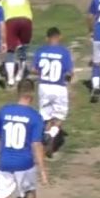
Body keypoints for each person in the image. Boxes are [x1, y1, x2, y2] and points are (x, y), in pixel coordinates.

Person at [32, 27, 73, 157]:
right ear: (59, 37)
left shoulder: (40, 51)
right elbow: (70, 72)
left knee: (45, 115)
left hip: (44, 85)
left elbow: (34, 69)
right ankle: (52, 134)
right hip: (58, 86)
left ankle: (44, 137)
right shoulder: (64, 52)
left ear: (47, 38)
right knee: (59, 116)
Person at [0, 0, 34, 87]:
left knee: (10, 50)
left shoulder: (2, 0)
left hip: (11, 20)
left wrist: (2, 38)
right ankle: (20, 75)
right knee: (23, 48)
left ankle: (10, 79)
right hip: (27, 19)